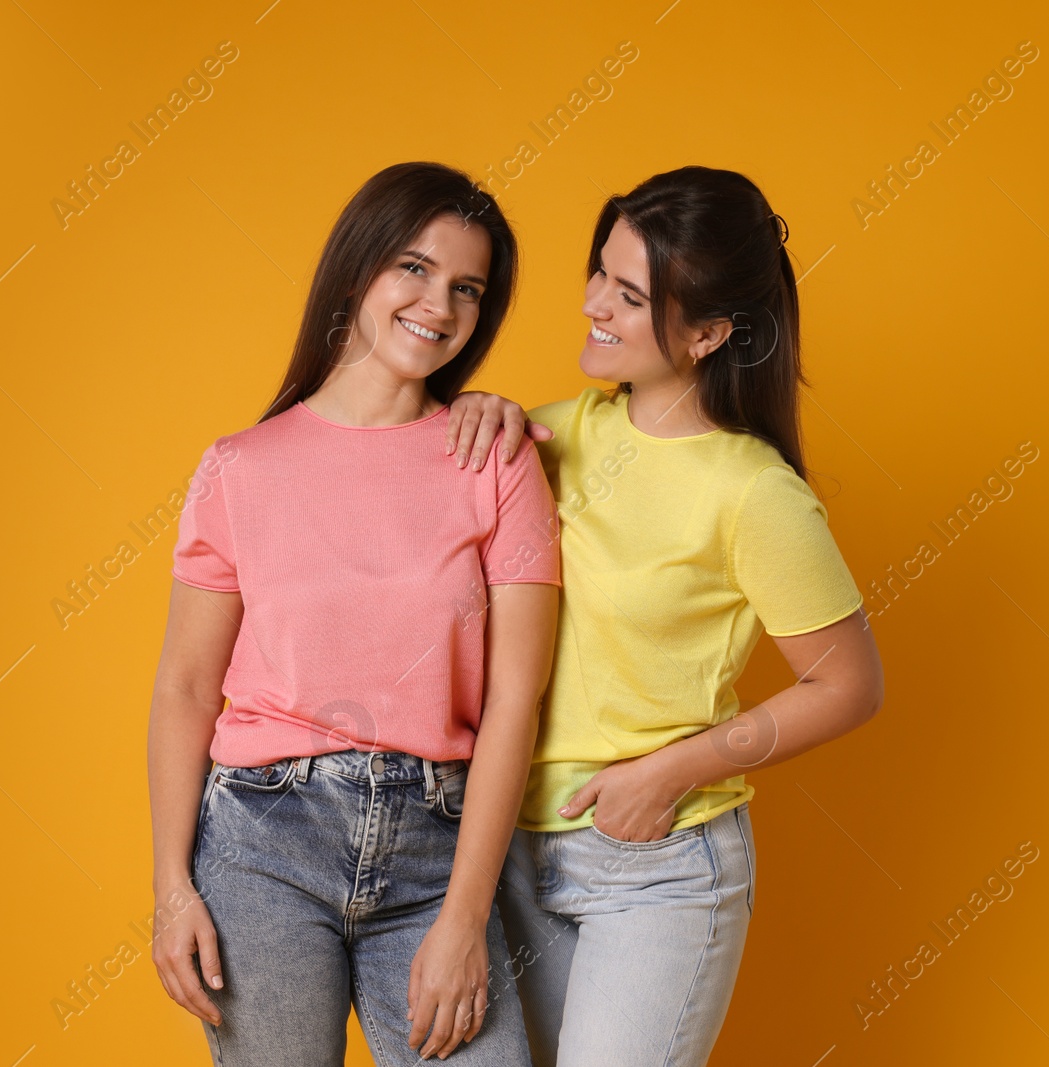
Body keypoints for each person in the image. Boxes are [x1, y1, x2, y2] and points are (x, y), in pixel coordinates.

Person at [442, 165, 886, 1067]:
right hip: (506, 855)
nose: (595, 303)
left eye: (632, 293)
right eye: (600, 271)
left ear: (711, 333)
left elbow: (849, 685)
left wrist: (674, 769)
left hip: (658, 865)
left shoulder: (753, 492)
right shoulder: (548, 435)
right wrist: (479, 409)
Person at [147, 161, 561, 1066]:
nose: (438, 304)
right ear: (357, 268)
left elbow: (513, 703)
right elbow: (186, 685)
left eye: (466, 287)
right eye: (412, 268)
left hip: (436, 849)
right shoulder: (239, 469)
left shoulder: (496, 458)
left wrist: (463, 915)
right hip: (261, 845)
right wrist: (172, 887)